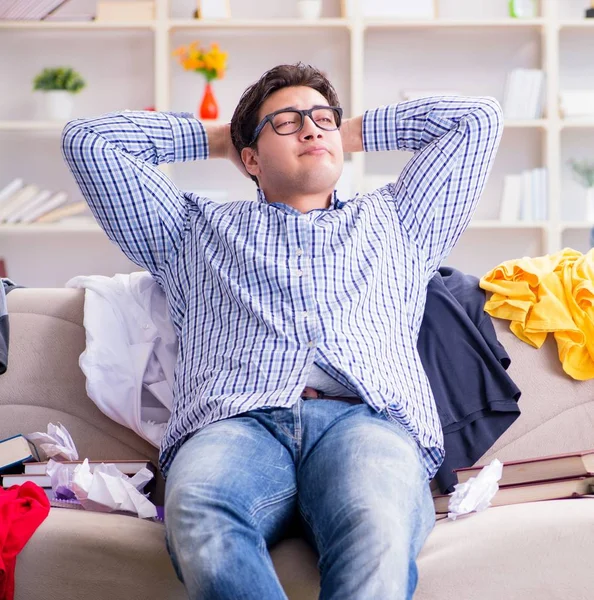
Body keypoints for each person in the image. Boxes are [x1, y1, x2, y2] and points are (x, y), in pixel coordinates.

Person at [61, 62, 503, 599]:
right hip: (234, 422)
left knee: (377, 526)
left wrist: (344, 131)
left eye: (322, 118)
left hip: (365, 419)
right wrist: (224, 136)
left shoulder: (401, 220)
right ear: (250, 159)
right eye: (288, 122)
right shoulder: (188, 229)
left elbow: (476, 119)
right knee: (202, 510)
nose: (312, 128)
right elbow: (90, 141)